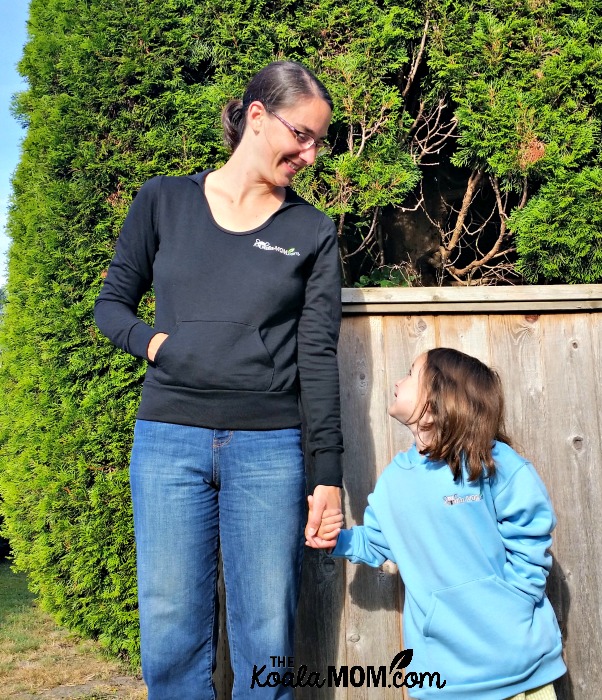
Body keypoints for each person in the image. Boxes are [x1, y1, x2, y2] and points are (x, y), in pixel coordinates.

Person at [94, 60, 343, 699]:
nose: (311, 154)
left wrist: (328, 478)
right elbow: (111, 306)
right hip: (168, 441)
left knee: (267, 634)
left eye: (320, 140)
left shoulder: (311, 232)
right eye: (303, 135)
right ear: (256, 117)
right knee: (170, 627)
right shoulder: (164, 201)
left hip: (268, 448)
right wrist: (160, 346)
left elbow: (316, 359)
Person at [316, 348, 566, 699]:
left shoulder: (492, 463)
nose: (397, 382)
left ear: (436, 400)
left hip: (521, 668)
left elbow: (531, 532)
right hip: (443, 679)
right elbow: (377, 541)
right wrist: (336, 540)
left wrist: (514, 602)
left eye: (410, 373)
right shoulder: (394, 482)